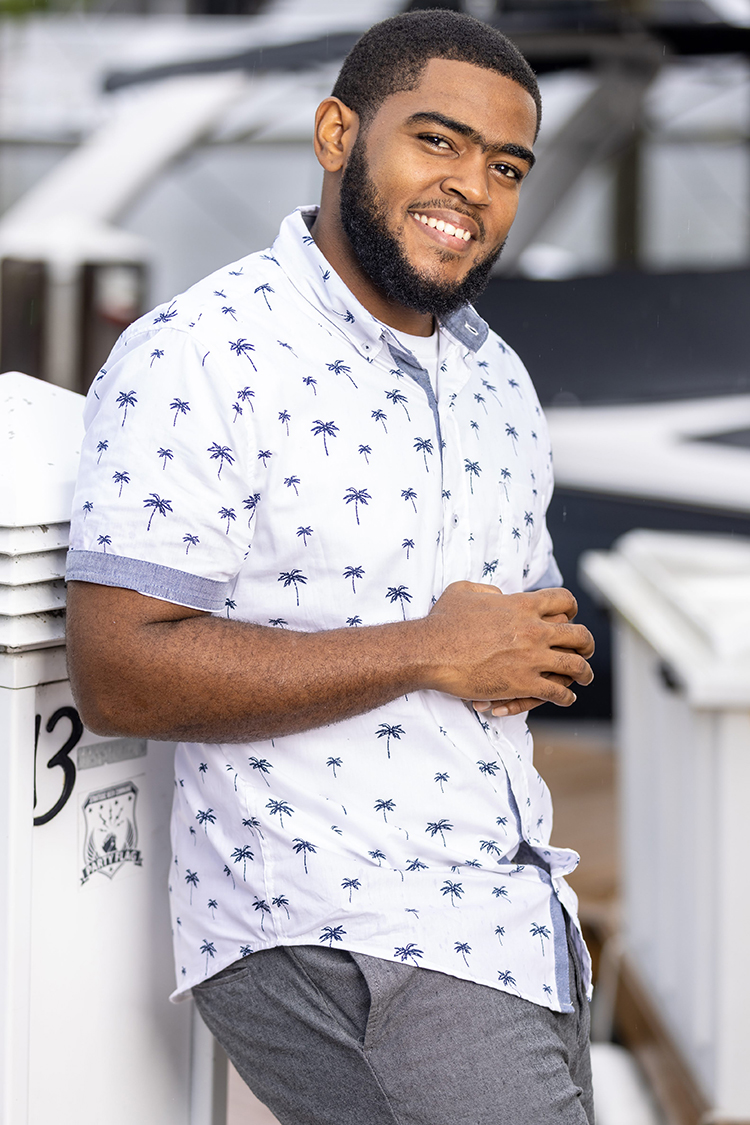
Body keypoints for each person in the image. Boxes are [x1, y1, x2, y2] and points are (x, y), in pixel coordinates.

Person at [66, 9, 596, 1124]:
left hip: (515, 914)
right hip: (347, 930)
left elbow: (505, 634)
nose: (473, 188)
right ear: (336, 134)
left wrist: (529, 654)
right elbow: (118, 670)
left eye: (506, 166)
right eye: (437, 141)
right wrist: (434, 651)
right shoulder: (202, 351)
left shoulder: (496, 378)